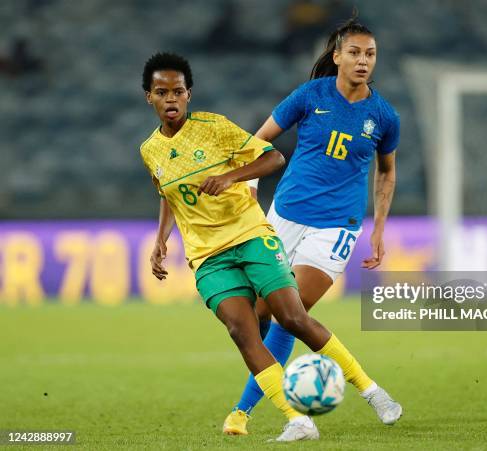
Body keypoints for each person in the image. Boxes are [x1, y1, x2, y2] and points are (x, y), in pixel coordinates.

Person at [139, 52, 401, 442]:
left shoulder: (214, 128)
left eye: (177, 90)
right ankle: (296, 419)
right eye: (162, 92)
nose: (171, 98)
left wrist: (232, 178)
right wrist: (161, 239)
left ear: (189, 93)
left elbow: (273, 155)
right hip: (210, 255)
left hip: (259, 235)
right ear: (150, 97)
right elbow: (168, 195)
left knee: (291, 317)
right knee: (242, 328)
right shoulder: (150, 150)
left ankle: (371, 391)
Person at [224, 16, 400, 435]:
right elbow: (258, 141)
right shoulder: (310, 95)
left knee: (290, 313)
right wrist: (250, 183)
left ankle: (247, 412)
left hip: (336, 226)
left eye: (370, 54)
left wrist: (377, 229)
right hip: (283, 216)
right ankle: (276, 408)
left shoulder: (384, 116)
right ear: (337, 56)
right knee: (260, 313)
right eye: (355, 53)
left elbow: (386, 173)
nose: (363, 61)